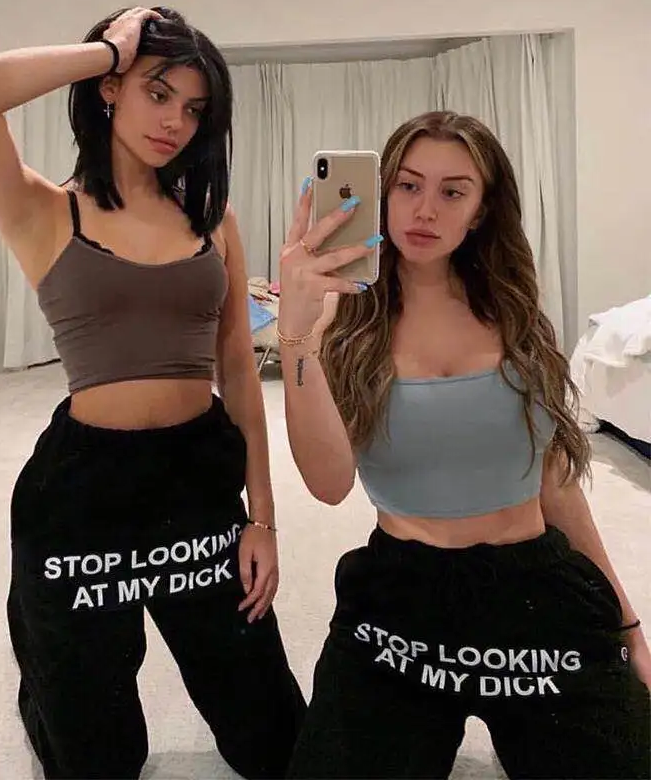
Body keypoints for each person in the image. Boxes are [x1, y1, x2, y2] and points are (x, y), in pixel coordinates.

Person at [0, 6, 305, 780]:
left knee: (277, 746)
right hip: (80, 497)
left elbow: (238, 369)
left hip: (196, 483)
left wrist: (263, 519)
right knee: (99, 763)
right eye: (158, 92)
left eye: (195, 108)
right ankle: (45, 680)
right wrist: (106, 52)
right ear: (111, 89)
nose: (176, 121)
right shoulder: (44, 210)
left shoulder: (214, 220)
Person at [275, 111, 650, 779]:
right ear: (383, 192)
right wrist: (296, 336)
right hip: (400, 596)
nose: (426, 209)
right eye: (408, 185)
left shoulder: (517, 314)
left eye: (453, 191)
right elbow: (329, 484)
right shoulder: (340, 324)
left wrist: (628, 626)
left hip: (534, 591)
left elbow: (554, 480)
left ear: (480, 211)